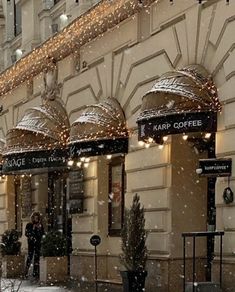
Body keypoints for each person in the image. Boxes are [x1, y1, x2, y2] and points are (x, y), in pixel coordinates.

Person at [25, 211, 44, 279]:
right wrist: (33, 229)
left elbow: (42, 234)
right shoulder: (29, 225)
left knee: (37, 258)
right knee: (30, 256)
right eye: (35, 218)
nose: (36, 219)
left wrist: (39, 229)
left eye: (37, 218)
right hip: (31, 243)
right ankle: (26, 271)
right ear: (32, 218)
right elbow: (27, 234)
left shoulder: (40, 225)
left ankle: (35, 272)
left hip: (38, 243)